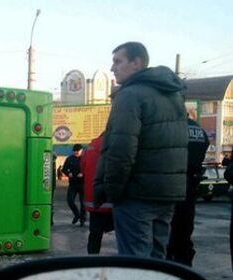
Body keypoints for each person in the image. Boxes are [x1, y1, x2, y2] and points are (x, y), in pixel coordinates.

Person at [94, 42, 188, 258]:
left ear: (136, 63)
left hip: (136, 195)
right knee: (158, 261)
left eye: (118, 61)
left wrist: (113, 191)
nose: (112, 68)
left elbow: (121, 150)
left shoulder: (130, 95)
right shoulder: (173, 95)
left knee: (135, 265)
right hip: (166, 194)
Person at [166, 117, 209, 266]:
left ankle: (169, 268)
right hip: (190, 184)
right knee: (184, 231)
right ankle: (184, 267)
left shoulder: (174, 126)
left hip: (172, 181)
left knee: (169, 231)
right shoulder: (197, 129)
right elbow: (205, 145)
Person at [81, 133, 114, 254]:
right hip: (114, 199)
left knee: (95, 234)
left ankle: (92, 259)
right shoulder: (116, 143)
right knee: (124, 236)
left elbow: (83, 168)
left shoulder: (90, 146)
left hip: (94, 199)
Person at [62, 144, 86, 226]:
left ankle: (82, 219)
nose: (76, 152)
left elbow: (89, 169)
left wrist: (83, 174)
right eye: (74, 151)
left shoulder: (85, 158)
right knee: (70, 201)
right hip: (73, 184)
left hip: (83, 184)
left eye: (77, 151)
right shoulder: (70, 159)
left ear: (81, 150)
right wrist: (68, 173)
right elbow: (64, 169)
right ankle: (77, 214)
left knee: (83, 203)